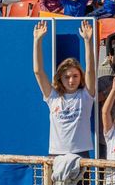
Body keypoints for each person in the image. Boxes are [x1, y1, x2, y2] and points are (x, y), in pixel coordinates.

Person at [32, 21, 96, 157]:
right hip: (56, 155)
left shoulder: (86, 95)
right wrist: (37, 41)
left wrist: (88, 41)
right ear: (60, 78)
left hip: (80, 155)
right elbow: (38, 72)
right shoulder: (53, 97)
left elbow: (90, 71)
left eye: (75, 76)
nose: (71, 80)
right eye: (67, 77)